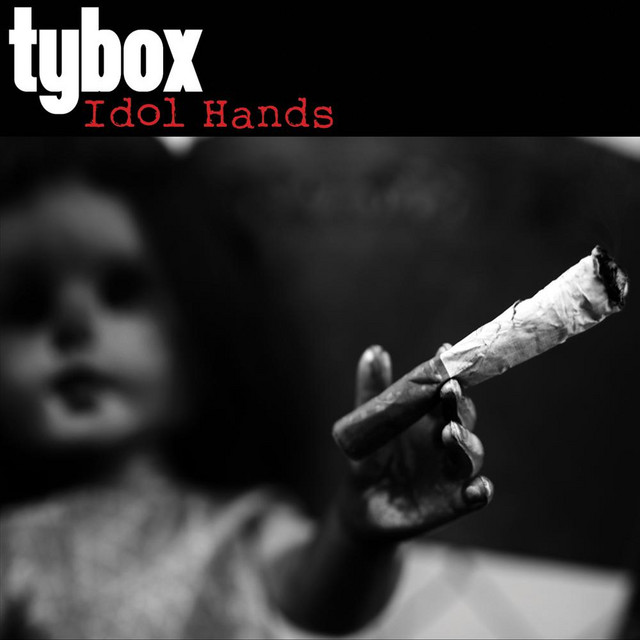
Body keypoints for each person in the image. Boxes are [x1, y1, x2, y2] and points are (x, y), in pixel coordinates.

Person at [0, 138, 493, 639]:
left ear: (204, 314)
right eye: (25, 307)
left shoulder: (236, 531)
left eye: (121, 291)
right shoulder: (14, 547)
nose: (72, 326)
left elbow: (317, 593)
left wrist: (359, 534)